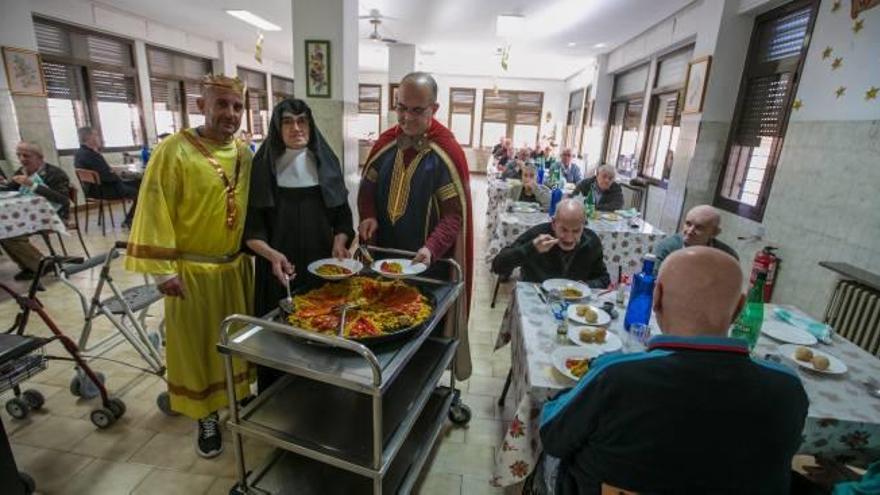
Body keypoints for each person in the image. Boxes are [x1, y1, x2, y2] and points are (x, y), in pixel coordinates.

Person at [533, 247, 808, 494]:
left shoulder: (616, 375)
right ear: (739, 308)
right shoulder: (788, 388)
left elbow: (553, 436)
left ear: (656, 297)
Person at [124, 74, 253, 459]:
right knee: (198, 347)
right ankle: (206, 415)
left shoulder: (245, 153)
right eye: (221, 104)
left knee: (239, 343)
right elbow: (154, 208)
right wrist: (163, 271)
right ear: (201, 105)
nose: (230, 114)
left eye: (237, 106)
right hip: (192, 273)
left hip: (236, 270)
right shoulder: (173, 151)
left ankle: (238, 398)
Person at [357, 71, 473, 380]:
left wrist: (431, 248)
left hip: (425, 268)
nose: (406, 117)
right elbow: (367, 189)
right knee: (379, 330)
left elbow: (453, 215)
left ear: (434, 109)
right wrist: (367, 215)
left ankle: (421, 391)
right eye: (400, 107)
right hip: (381, 262)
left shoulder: (445, 153)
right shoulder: (385, 145)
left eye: (416, 110)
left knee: (421, 339)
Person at [245, 98, 354, 388]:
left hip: (321, 271)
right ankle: (275, 396)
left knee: (322, 338)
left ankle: (320, 392)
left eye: (302, 120)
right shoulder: (263, 165)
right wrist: (271, 255)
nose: (296, 128)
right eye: (288, 122)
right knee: (280, 341)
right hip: (279, 274)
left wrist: (340, 242)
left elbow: (343, 218)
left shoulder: (326, 161)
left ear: (310, 124)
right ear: (277, 127)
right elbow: (252, 231)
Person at [491, 199, 609, 286]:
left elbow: (603, 278)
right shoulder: (537, 235)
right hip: (535, 300)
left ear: (584, 226)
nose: (569, 238)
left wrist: (588, 285)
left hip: (573, 305)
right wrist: (531, 248)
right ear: (554, 223)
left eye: (576, 231)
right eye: (564, 229)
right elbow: (497, 266)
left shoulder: (591, 240)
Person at [0, 141, 70, 281]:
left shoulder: (55, 173)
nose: (22, 159)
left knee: (11, 233)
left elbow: (63, 200)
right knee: (2, 229)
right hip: (27, 214)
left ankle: (39, 265)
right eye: (19, 155)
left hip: (53, 215)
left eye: (26, 155)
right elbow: (12, 189)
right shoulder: (21, 171)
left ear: (39, 157)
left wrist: (33, 185)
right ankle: (31, 265)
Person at [74, 126, 141, 227]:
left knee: (138, 183)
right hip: (105, 190)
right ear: (89, 137)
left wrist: (113, 173)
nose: (99, 137)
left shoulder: (79, 154)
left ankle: (134, 218)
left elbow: (102, 172)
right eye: (96, 135)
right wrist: (119, 174)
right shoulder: (92, 155)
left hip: (92, 190)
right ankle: (129, 220)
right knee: (141, 190)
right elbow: (107, 177)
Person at [653, 204, 739, 273]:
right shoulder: (667, 248)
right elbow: (656, 282)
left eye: (699, 227)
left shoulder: (728, 257)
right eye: (688, 224)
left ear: (714, 233)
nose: (689, 231)